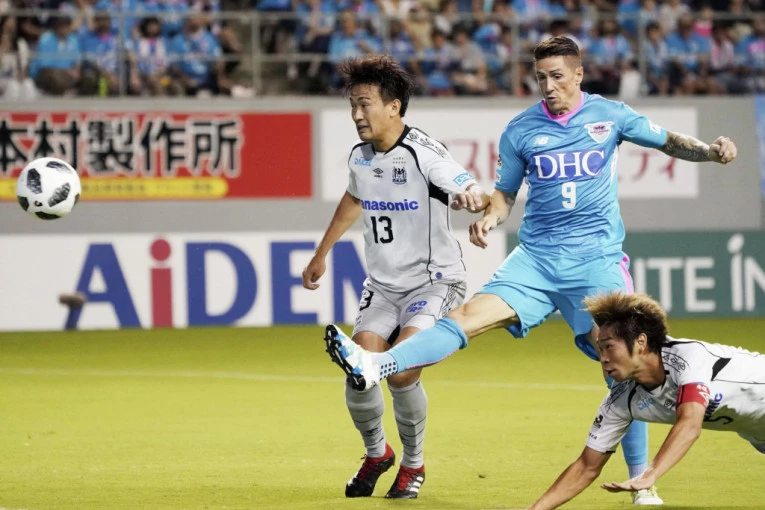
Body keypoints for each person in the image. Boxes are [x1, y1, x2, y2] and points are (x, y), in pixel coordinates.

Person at [323, 36, 738, 505]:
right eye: (540, 77)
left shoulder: (610, 116)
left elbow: (667, 141)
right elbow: (504, 195)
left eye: (557, 76)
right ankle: (377, 364)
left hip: (596, 262)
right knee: (465, 317)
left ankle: (643, 481)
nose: (548, 85)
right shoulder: (520, 130)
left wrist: (709, 152)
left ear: (578, 75)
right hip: (536, 260)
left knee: (623, 366)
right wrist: (490, 218)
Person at [302, 55, 487, 499]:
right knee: (359, 371)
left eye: (364, 104)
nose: (356, 114)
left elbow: (466, 184)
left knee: (401, 372)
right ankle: (376, 454)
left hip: (434, 282)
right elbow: (354, 198)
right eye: (352, 105)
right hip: (383, 287)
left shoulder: (424, 153)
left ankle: (413, 463)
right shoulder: (360, 156)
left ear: (394, 106)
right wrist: (321, 253)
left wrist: (471, 196)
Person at [523, 291, 765, 510]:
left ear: (640, 342)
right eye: (600, 349)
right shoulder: (621, 399)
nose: (603, 358)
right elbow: (587, 466)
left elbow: (690, 424)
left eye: (609, 347)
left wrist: (650, 473)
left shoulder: (689, 357)